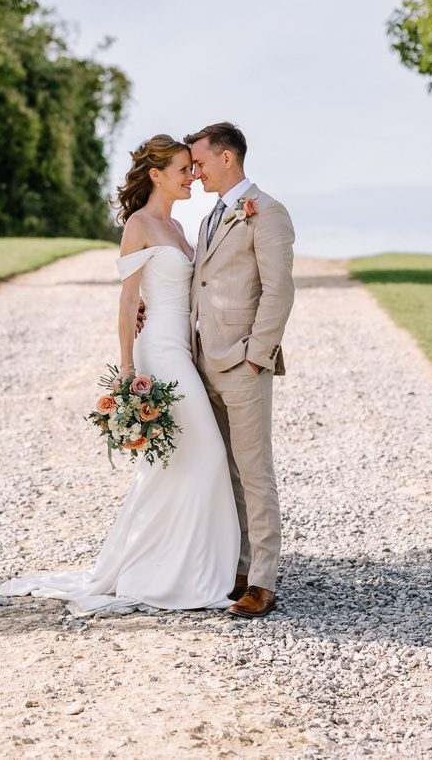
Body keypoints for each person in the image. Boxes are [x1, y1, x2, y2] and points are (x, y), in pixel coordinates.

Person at [0, 134, 240, 614]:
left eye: (193, 168)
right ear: (157, 175)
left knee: (179, 460)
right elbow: (128, 300)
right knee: (206, 452)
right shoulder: (140, 223)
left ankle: (182, 563)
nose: (192, 176)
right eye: (184, 169)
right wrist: (127, 367)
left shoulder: (178, 226)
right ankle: (171, 571)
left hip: (182, 350)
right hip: (158, 356)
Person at [183, 122, 295, 618]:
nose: (195, 171)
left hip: (243, 361)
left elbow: (279, 291)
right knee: (226, 470)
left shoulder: (267, 212)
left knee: (254, 470)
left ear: (227, 159)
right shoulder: (210, 217)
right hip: (204, 359)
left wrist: (257, 354)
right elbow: (203, 280)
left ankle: (265, 582)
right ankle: (241, 568)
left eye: (200, 162)